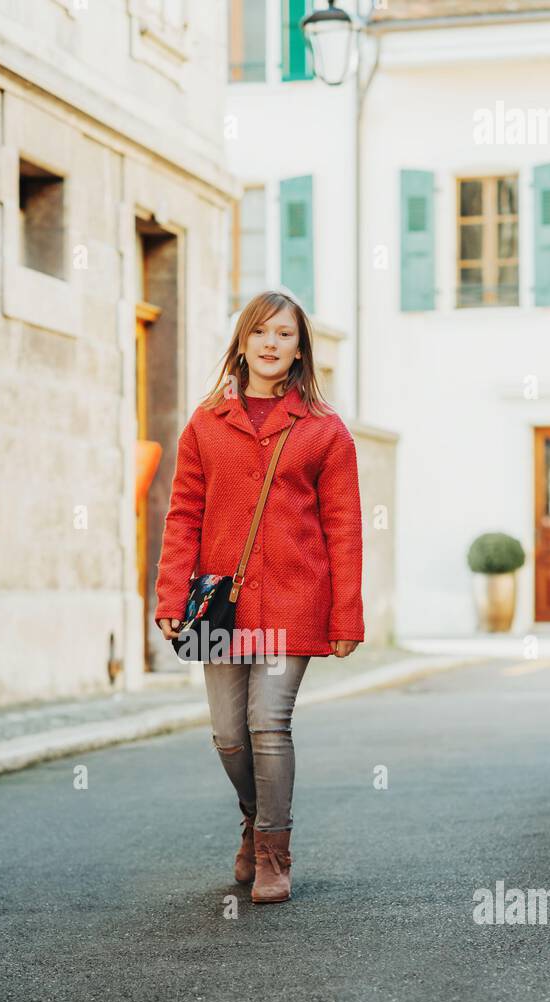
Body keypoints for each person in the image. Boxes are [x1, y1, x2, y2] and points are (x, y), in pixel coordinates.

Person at [154, 290, 364, 904]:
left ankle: (274, 851)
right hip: (222, 604)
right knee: (228, 733)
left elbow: (345, 527)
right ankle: (252, 815)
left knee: (269, 724)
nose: (272, 344)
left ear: (301, 350)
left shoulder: (325, 432)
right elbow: (182, 515)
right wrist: (171, 595)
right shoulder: (205, 424)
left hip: (296, 598)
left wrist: (345, 613)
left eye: (286, 335)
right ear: (242, 342)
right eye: (261, 333)